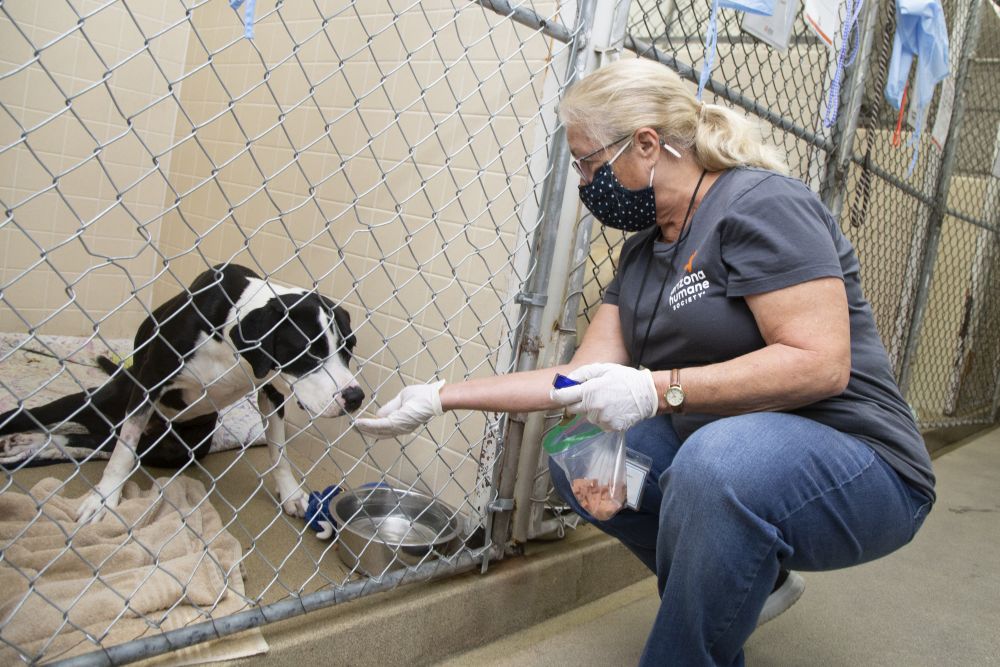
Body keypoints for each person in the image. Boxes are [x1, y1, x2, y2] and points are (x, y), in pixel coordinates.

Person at [355, 58, 935, 666]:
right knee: (580, 454)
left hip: (861, 463)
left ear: (647, 144)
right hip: (733, 455)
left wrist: (659, 389)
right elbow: (571, 381)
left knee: (716, 463)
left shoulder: (760, 204)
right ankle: (747, 582)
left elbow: (821, 366)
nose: (584, 183)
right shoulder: (643, 253)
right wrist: (443, 395)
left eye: (588, 163)